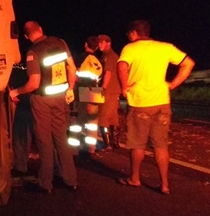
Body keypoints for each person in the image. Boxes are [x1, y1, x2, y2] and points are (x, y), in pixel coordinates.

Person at [117, 20, 195, 195]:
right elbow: (189, 63)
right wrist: (173, 84)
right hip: (161, 102)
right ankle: (165, 184)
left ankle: (135, 179)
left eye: (129, 34)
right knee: (161, 145)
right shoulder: (166, 47)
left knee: (137, 144)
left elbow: (122, 65)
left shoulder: (130, 48)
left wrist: (123, 87)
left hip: (139, 103)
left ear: (134, 33)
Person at [9, 21, 78, 193]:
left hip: (42, 100)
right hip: (60, 98)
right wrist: (70, 89)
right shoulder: (60, 43)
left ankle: (45, 183)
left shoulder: (33, 52)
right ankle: (70, 180)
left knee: (44, 140)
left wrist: (16, 92)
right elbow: (72, 68)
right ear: (41, 29)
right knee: (61, 139)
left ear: (26, 36)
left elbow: (33, 84)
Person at [73, 36, 103, 153]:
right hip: (95, 90)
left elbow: (72, 73)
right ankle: (91, 148)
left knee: (77, 120)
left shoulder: (80, 57)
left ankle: (75, 148)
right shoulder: (99, 60)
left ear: (86, 44)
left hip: (81, 89)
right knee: (92, 122)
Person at [9, 63, 36, 186]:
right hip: (47, 101)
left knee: (21, 134)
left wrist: (16, 92)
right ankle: (55, 169)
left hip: (26, 100)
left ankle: (20, 167)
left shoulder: (31, 54)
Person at [96, 34, 121, 150]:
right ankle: (114, 142)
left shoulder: (110, 56)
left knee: (103, 117)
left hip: (109, 91)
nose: (99, 44)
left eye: (101, 42)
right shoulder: (105, 55)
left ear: (108, 43)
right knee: (112, 117)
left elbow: (108, 73)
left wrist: (103, 88)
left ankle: (107, 144)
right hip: (114, 91)